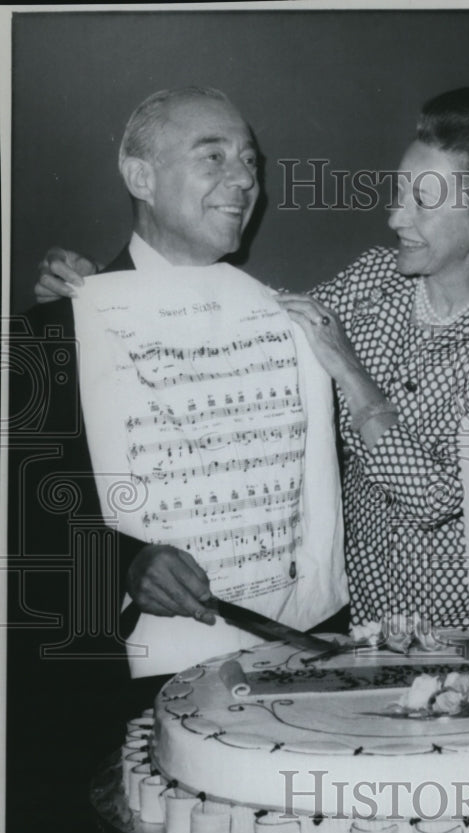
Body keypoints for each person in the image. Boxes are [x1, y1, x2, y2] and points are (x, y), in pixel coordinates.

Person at [35, 87, 469, 636]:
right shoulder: (376, 278)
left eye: (423, 201)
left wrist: (349, 369)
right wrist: (99, 300)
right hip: (368, 612)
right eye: (399, 191)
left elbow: (437, 497)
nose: (395, 217)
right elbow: (261, 329)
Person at [19, 86, 346, 676]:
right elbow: (27, 516)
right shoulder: (53, 331)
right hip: (122, 689)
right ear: (140, 177)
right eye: (212, 156)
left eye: (250, 161)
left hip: (284, 666)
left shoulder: (296, 324)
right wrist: (125, 563)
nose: (244, 179)